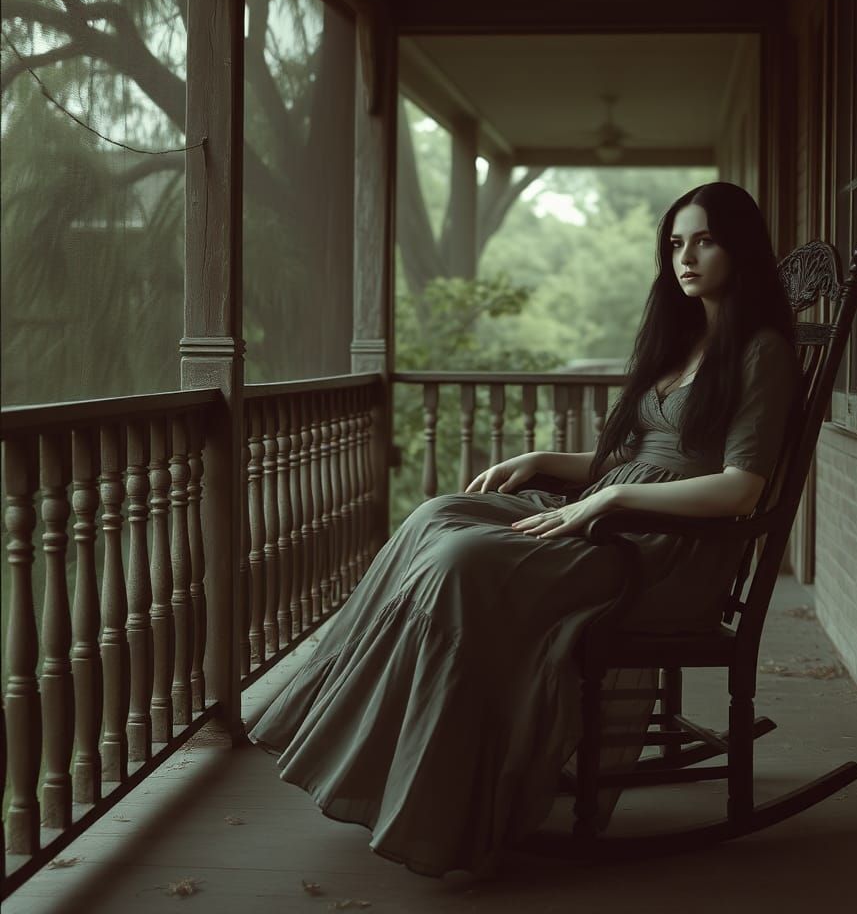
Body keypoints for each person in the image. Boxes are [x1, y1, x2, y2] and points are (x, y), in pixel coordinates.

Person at [246, 181, 799, 878]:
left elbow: (741, 489)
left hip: (662, 551)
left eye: (706, 241)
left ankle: (442, 794)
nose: (685, 258)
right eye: (676, 243)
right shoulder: (685, 341)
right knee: (436, 515)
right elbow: (631, 460)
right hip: (613, 512)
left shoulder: (760, 353)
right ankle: (353, 735)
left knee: (462, 561)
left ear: (739, 249)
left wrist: (609, 500)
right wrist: (545, 461)